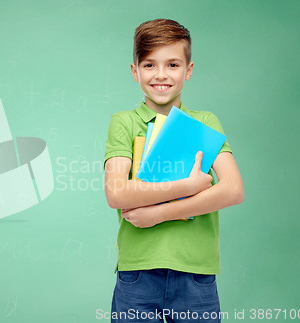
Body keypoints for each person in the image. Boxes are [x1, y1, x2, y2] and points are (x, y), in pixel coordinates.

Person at [103, 19, 245, 323]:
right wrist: (191, 185)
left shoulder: (205, 121)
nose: (161, 75)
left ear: (189, 70)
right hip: (138, 274)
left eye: (173, 64)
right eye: (150, 65)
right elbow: (116, 193)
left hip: (196, 275)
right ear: (135, 71)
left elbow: (233, 190)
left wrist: (156, 213)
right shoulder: (125, 122)